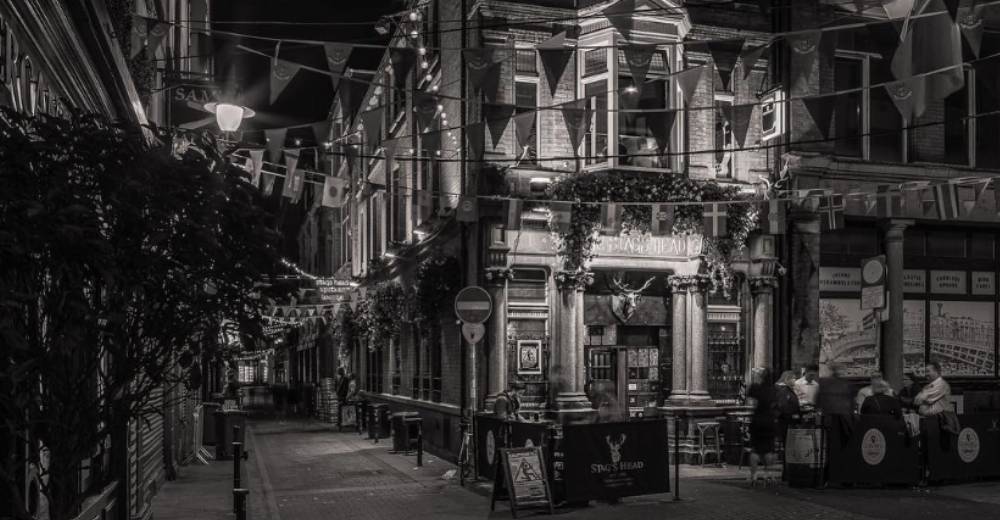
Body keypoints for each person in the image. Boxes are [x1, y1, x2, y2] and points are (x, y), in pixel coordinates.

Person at [747, 368, 777, 482]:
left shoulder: (755, 387)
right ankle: (767, 473)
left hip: (757, 420)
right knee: (769, 449)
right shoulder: (773, 389)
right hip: (769, 421)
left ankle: (753, 475)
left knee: (755, 449)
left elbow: (751, 403)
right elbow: (775, 405)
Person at [774, 371, 801, 444]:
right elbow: (783, 406)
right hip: (786, 421)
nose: (794, 380)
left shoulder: (790, 390)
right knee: (787, 441)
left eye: (795, 378)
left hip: (790, 421)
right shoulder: (784, 391)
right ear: (787, 379)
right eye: (792, 378)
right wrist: (793, 414)